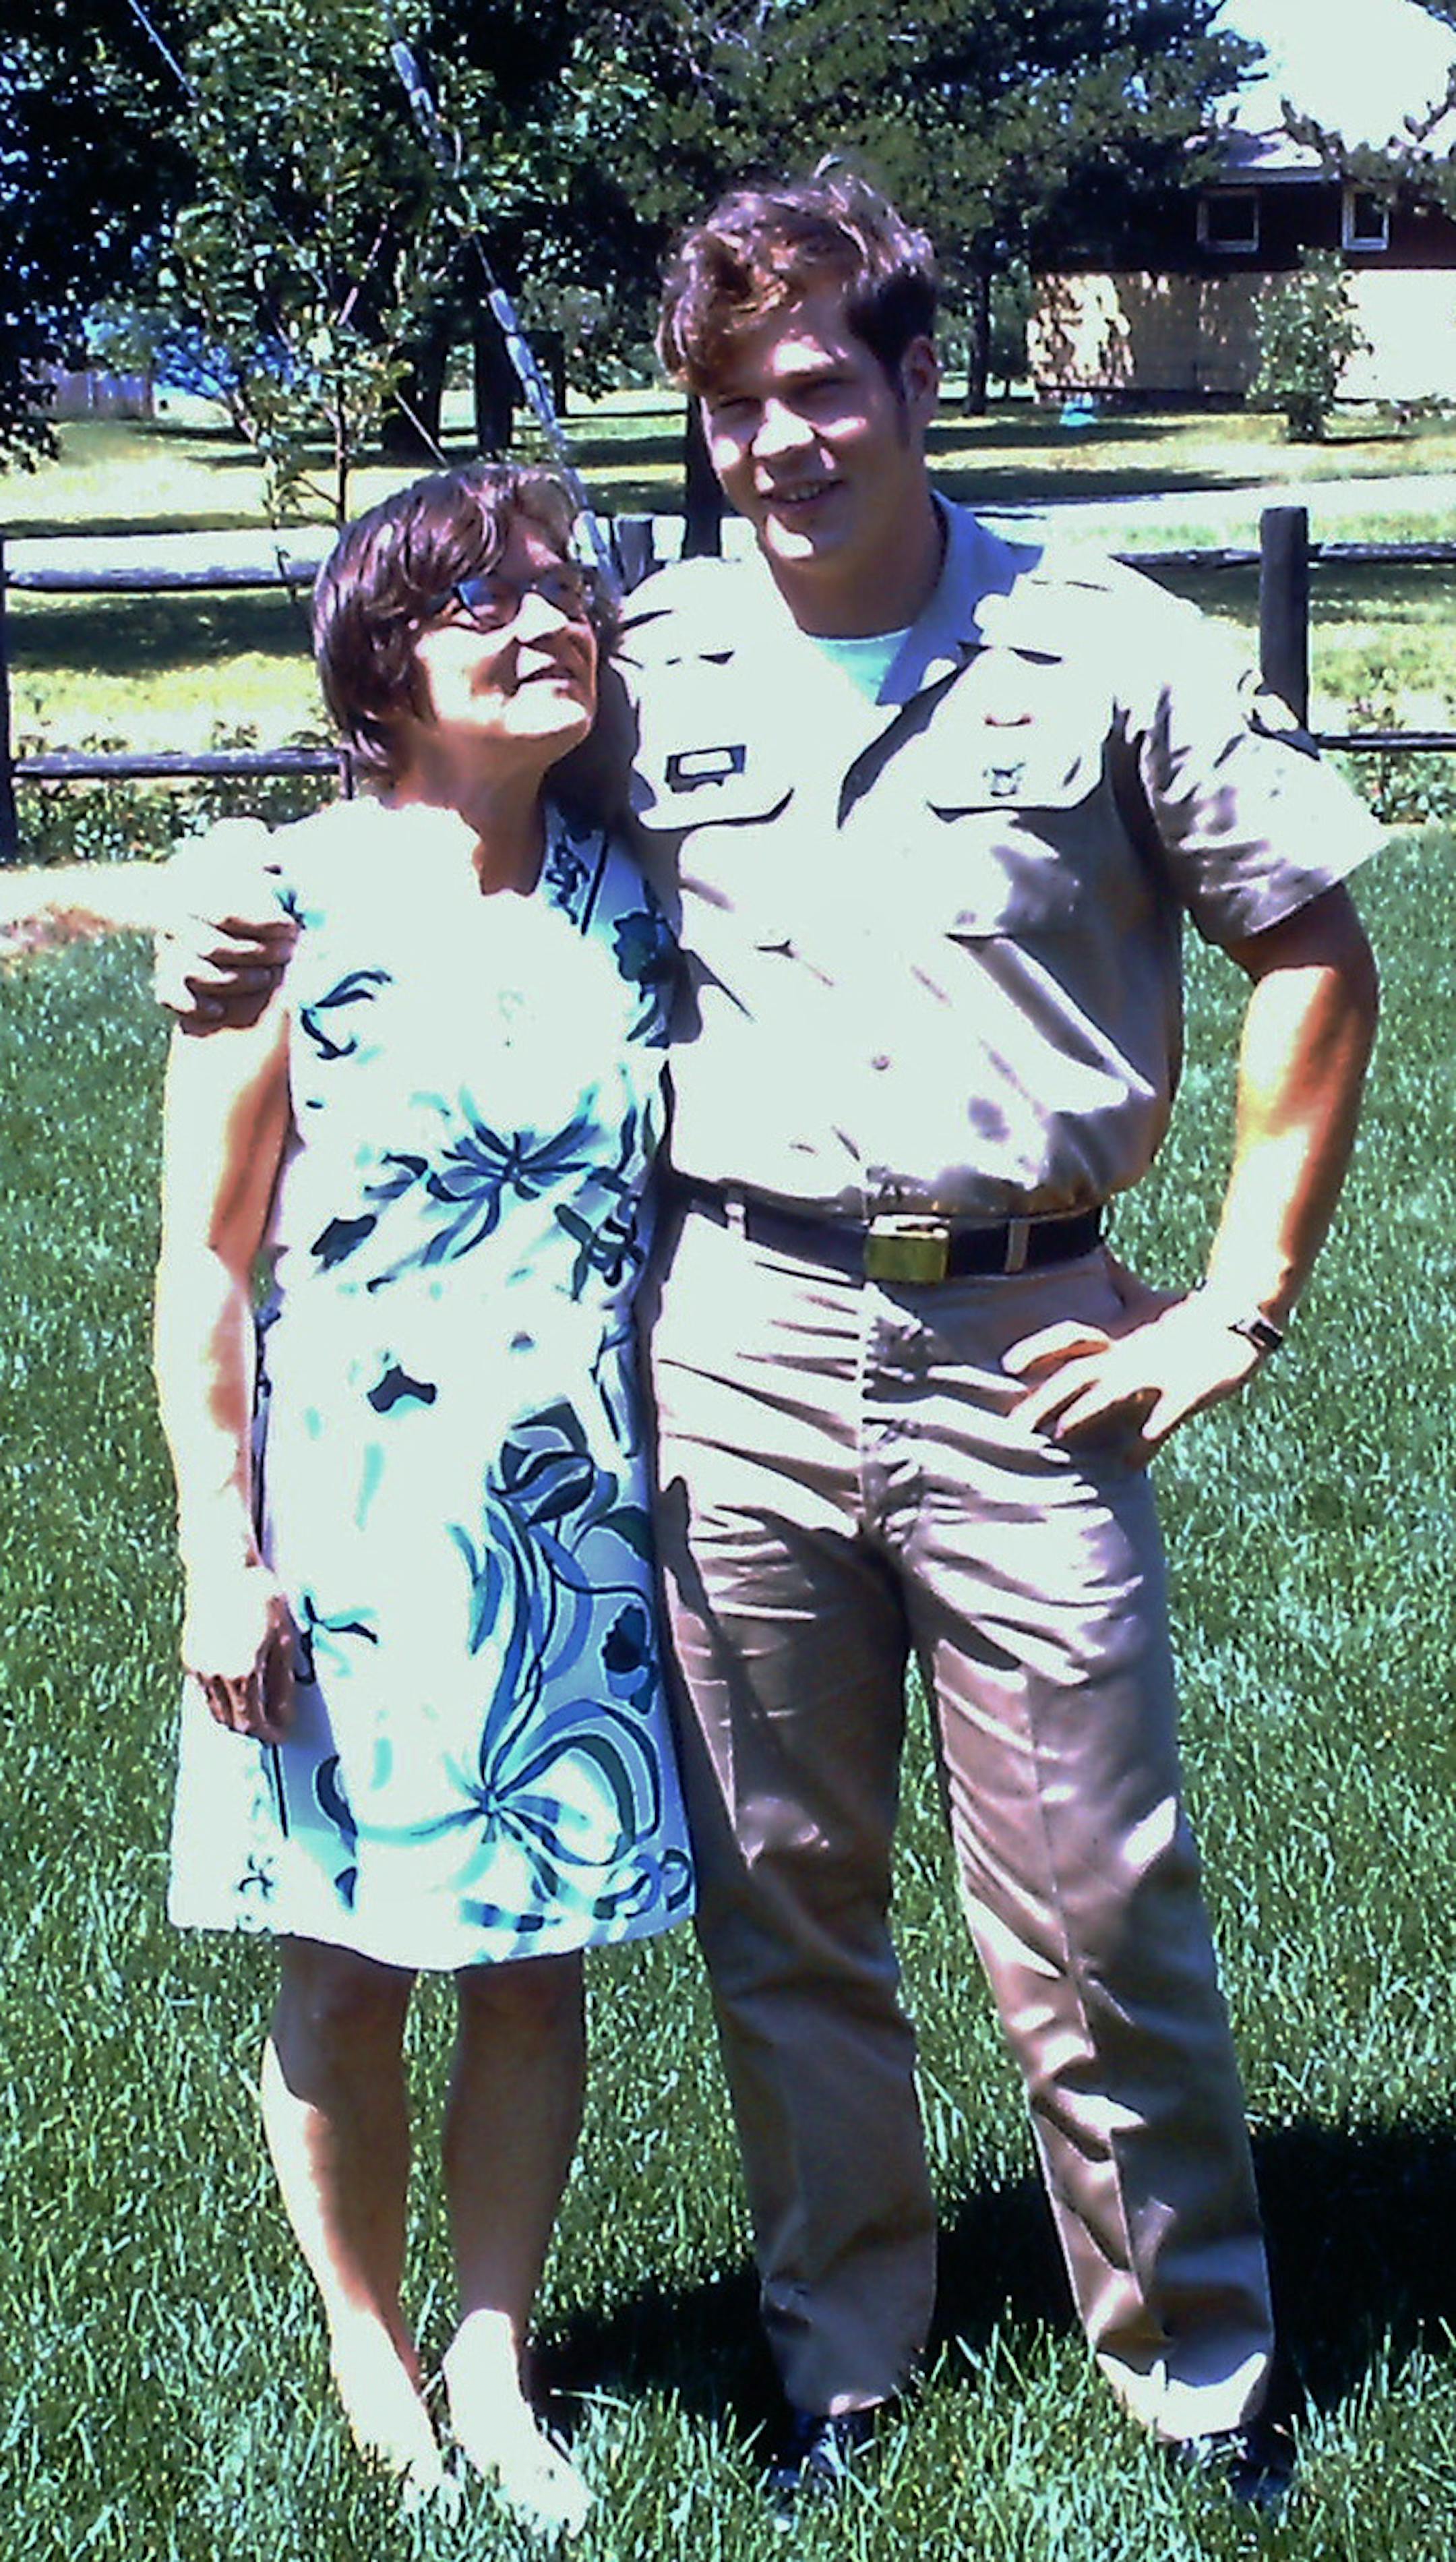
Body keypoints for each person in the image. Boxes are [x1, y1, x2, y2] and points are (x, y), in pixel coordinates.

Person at [160, 173, 1381, 2520]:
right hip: (718, 1336)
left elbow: (1311, 941)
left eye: (825, 383)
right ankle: (848, 2361)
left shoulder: (1102, 642)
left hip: (1028, 1335)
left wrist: (1235, 1296)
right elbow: (419, 815)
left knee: (1096, 1883)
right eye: (736, 403)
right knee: (783, 1896)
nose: (784, 440)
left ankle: (1192, 2361)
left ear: (924, 375)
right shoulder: (652, 661)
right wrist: (223, 909)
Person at [152, 460, 692, 2535]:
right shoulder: (279, 903)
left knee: (538, 1960)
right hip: (352, 1533)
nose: (547, 622)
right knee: (345, 1965)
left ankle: (497, 2345)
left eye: (567, 593)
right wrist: (224, 1551)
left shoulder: (631, 886)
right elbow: (206, 1265)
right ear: (384, 667)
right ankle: (370, 2355)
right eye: (486, 604)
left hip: (576, 1532)